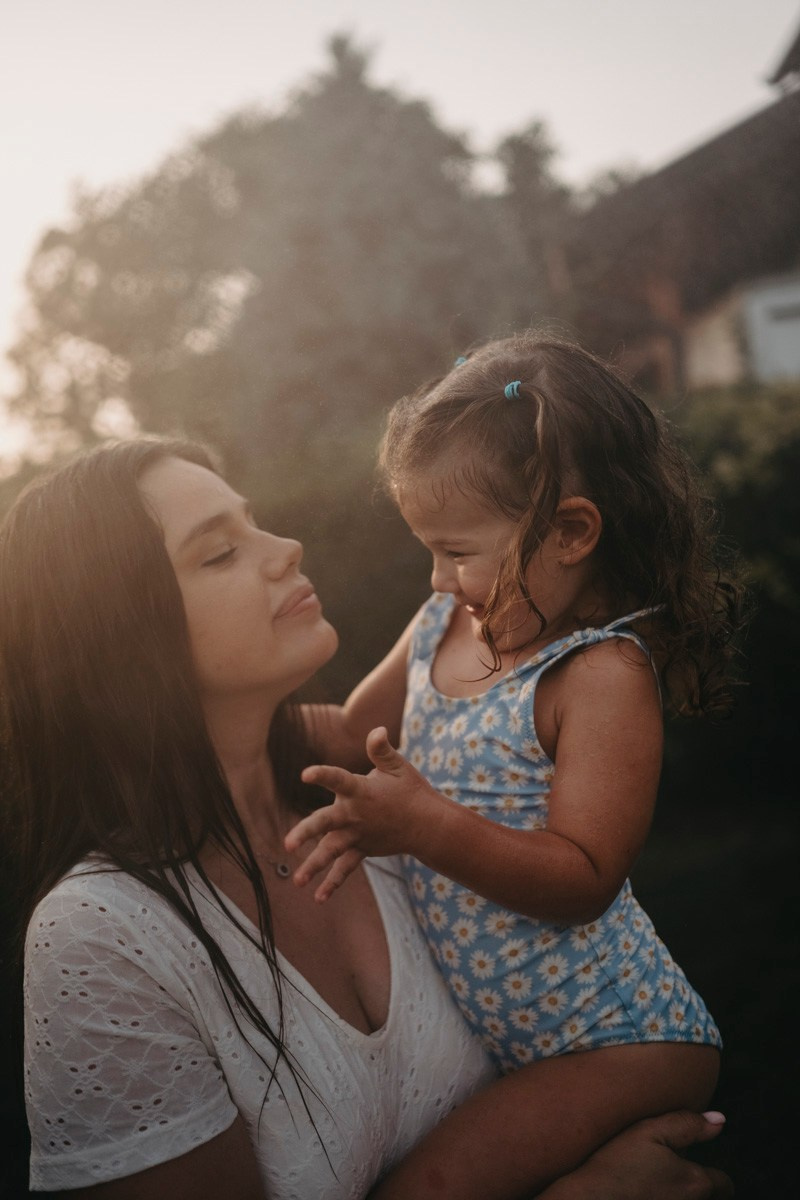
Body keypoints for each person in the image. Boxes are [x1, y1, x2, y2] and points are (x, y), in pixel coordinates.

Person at [0, 436, 732, 1200]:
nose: (286, 547)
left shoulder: (388, 817)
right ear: (117, 640)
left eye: (255, 522)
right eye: (220, 552)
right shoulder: (102, 934)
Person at [285, 333, 744, 1189]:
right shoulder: (443, 624)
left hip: (615, 1039)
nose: (437, 578)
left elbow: (584, 878)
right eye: (429, 550)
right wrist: (220, 723)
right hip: (518, 1037)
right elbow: (347, 730)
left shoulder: (598, 674)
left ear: (571, 532)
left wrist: (424, 826)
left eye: (457, 551)